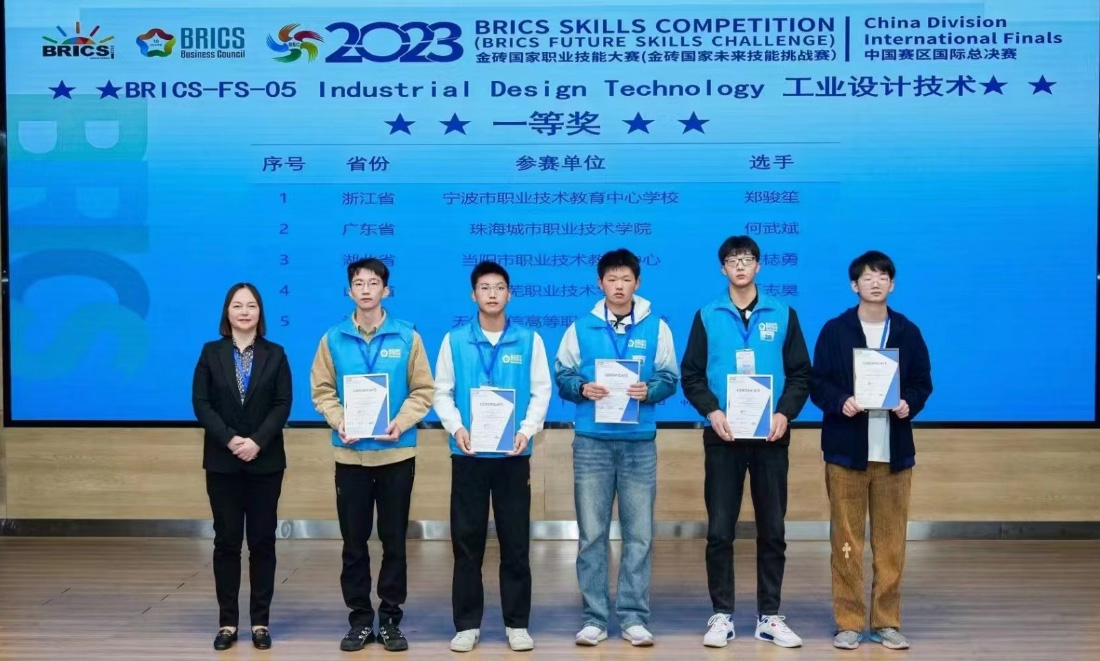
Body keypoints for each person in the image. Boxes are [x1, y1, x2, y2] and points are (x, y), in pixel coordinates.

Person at [680, 236, 811, 649]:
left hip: (771, 437)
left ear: (759, 266)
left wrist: (784, 413)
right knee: (720, 530)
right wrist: (712, 411)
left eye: (747, 259)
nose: (740, 265)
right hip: (724, 437)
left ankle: (769, 616)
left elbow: (801, 373)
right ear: (723, 268)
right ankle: (722, 614)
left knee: (773, 529)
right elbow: (691, 375)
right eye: (733, 260)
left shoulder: (784, 313)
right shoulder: (707, 315)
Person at [554, 248, 680, 647]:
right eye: (612, 279)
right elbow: (562, 375)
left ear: (637, 282)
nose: (619, 286)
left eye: (626, 279)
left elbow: (670, 377)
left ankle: (633, 617)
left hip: (639, 444)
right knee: (591, 535)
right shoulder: (581, 327)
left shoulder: (657, 327)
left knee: (639, 535)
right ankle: (594, 617)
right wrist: (581, 388)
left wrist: (650, 390)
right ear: (600, 283)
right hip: (592, 442)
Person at [310, 257, 434, 652]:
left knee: (394, 541)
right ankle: (361, 620)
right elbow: (322, 391)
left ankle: (392, 618)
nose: (366, 289)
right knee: (354, 543)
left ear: (386, 290)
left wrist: (401, 421)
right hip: (351, 457)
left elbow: (423, 390)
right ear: (349, 291)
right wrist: (340, 420)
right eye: (359, 283)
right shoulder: (332, 339)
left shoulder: (407, 336)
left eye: (373, 282)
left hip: (396, 454)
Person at [810, 251, 932, 651]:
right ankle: (848, 622)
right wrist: (841, 400)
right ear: (854, 285)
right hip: (846, 452)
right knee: (846, 541)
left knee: (891, 542)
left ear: (892, 284)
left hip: (894, 454)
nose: (875, 282)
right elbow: (817, 382)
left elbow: (922, 382)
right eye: (867, 277)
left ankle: (886, 622)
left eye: (882, 276)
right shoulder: (835, 330)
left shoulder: (907, 331)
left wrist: (909, 402)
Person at [433, 261, 552, 653]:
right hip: (468, 454)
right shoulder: (455, 340)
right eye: (485, 287)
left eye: (499, 287)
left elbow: (541, 391)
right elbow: (441, 392)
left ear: (509, 294)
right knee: (467, 542)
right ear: (473, 295)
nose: (492, 294)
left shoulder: (529, 340)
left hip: (512, 455)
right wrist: (456, 427)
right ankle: (467, 624)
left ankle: (517, 624)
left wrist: (526, 430)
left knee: (515, 542)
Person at [192, 283, 292, 651]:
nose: (245, 311)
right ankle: (228, 623)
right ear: (227, 312)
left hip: (266, 462)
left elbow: (282, 404)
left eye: (251, 305)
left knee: (263, 542)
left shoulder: (276, 354)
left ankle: (261, 622)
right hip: (223, 462)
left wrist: (257, 442)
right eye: (237, 305)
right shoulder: (211, 352)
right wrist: (231, 440)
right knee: (227, 542)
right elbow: (201, 403)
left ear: (260, 312)